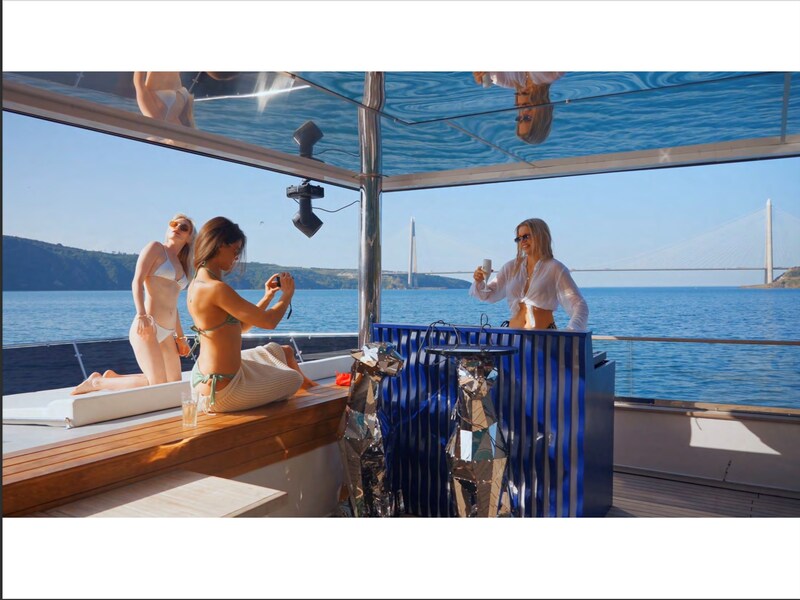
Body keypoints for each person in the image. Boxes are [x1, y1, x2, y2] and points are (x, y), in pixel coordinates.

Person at [187, 216, 316, 414]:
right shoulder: (215, 288)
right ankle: (309, 388)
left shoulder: (198, 283)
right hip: (222, 392)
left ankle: (311, 386)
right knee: (293, 379)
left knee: (282, 351)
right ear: (220, 245)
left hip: (207, 378)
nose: (236, 258)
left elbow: (240, 326)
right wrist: (287, 296)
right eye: (235, 251)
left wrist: (268, 296)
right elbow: (269, 322)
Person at [72, 214, 196, 394]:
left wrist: (181, 337)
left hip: (168, 333)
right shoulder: (156, 248)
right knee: (157, 384)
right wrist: (141, 314)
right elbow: (137, 281)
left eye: (183, 227)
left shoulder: (181, 264)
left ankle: (113, 378)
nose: (176, 228)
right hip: (148, 326)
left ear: (189, 237)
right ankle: (97, 382)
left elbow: (172, 304)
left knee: (173, 385)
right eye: (173, 224)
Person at [470, 217, 588, 331]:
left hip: (543, 338)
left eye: (527, 236)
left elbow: (579, 305)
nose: (522, 241)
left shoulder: (555, 268)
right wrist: (479, 281)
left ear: (541, 236)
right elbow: (487, 295)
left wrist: (572, 331)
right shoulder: (511, 267)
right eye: (519, 238)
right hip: (513, 337)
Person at [472, 72, 565, 145]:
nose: (523, 112)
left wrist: (480, 73)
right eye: (527, 118)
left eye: (519, 118)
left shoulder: (504, 80)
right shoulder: (552, 73)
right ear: (542, 114)